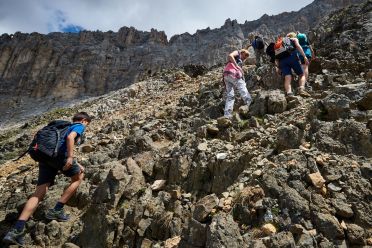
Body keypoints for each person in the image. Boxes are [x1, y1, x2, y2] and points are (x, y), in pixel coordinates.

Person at [3, 112, 92, 246]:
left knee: (39, 192)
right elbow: (70, 138)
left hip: (45, 157)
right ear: (84, 120)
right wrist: (70, 158)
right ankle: (57, 210)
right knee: (78, 177)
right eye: (87, 123)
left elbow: (60, 144)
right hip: (59, 157)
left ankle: (16, 231)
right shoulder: (79, 126)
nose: (86, 126)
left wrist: (75, 162)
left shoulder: (60, 127)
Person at [274, 33, 311, 98]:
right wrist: (304, 56)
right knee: (301, 75)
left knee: (287, 77)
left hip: (282, 61)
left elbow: (276, 57)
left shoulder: (278, 43)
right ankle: (301, 89)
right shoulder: (294, 39)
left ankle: (289, 93)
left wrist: (278, 67)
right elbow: (298, 46)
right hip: (292, 57)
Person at [222, 49, 252, 118]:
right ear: (242, 52)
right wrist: (237, 66)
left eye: (246, 57)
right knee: (241, 85)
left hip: (226, 75)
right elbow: (230, 55)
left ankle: (227, 114)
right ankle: (249, 101)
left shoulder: (239, 59)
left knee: (230, 95)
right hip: (232, 74)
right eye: (245, 56)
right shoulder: (237, 52)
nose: (245, 58)